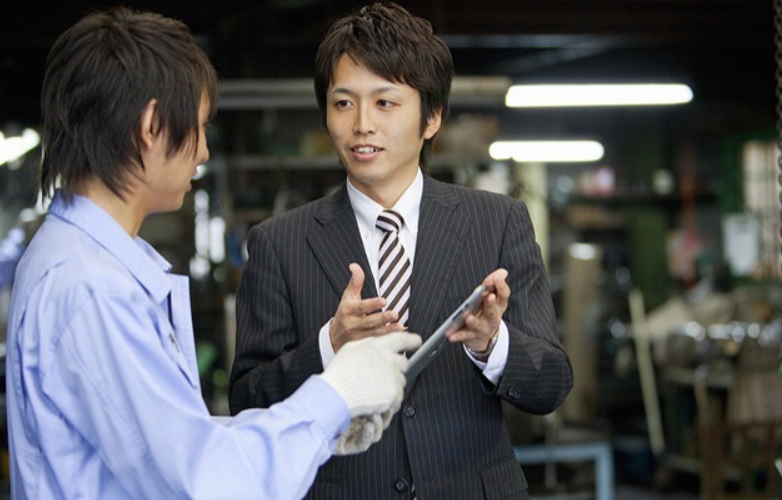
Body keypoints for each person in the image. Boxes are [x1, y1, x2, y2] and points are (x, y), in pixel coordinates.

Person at [5, 8, 421, 500]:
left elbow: (175, 442)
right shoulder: (91, 287)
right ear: (152, 126)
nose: (203, 151)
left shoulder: (77, 258)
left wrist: (322, 427)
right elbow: (203, 480)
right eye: (199, 127)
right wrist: (334, 397)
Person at [228, 2, 574, 499]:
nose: (361, 124)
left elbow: (552, 383)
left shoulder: (497, 221)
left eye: (385, 103)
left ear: (431, 117)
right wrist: (329, 344)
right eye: (343, 103)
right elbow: (247, 402)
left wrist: (492, 343)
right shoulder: (279, 243)